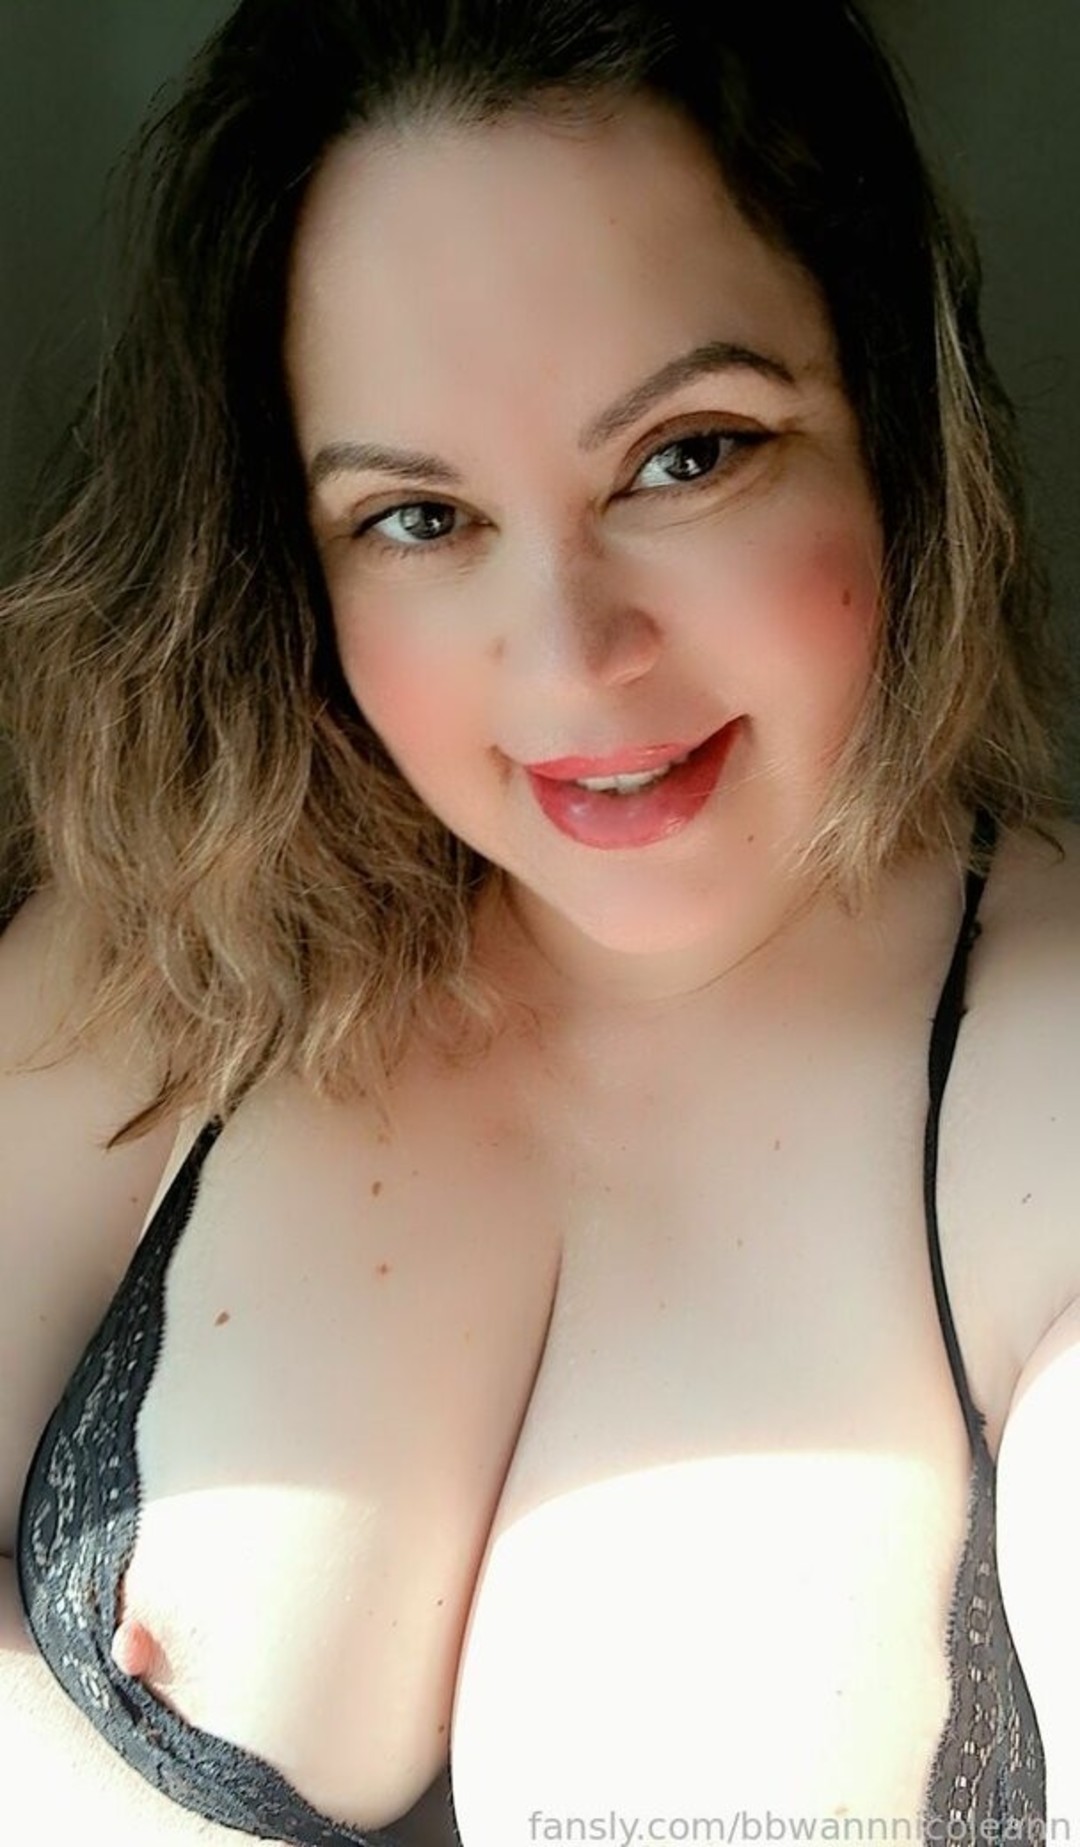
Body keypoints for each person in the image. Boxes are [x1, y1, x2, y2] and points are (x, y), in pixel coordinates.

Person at [0, 1, 1077, 1843]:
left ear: (895, 425)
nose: (575, 660)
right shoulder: (160, 954)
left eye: (689, 456)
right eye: (420, 518)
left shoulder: (1044, 1096)